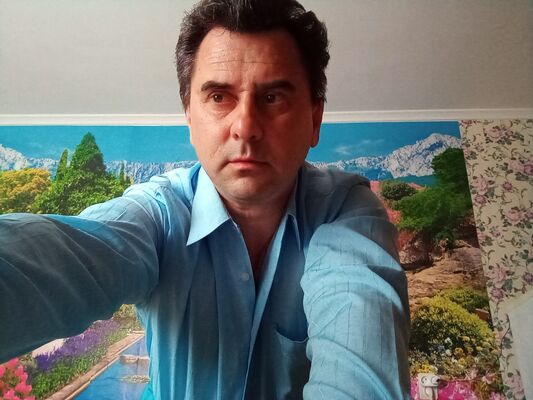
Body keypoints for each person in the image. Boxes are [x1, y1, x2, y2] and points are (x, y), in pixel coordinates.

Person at [0, 0, 410, 398]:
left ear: (315, 120)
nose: (245, 126)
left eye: (273, 97)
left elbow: (360, 346)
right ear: (190, 120)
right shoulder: (157, 214)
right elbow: (67, 253)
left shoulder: (347, 211)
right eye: (218, 97)